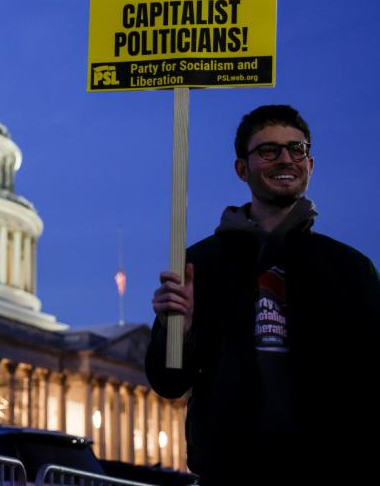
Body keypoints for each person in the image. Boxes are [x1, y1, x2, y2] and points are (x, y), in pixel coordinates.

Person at [146, 105, 380, 485]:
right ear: (242, 168)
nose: (286, 158)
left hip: (329, 468)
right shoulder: (199, 263)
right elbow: (169, 381)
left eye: (297, 148)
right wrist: (181, 329)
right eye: (269, 150)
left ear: (310, 163)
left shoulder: (350, 269)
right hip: (230, 469)